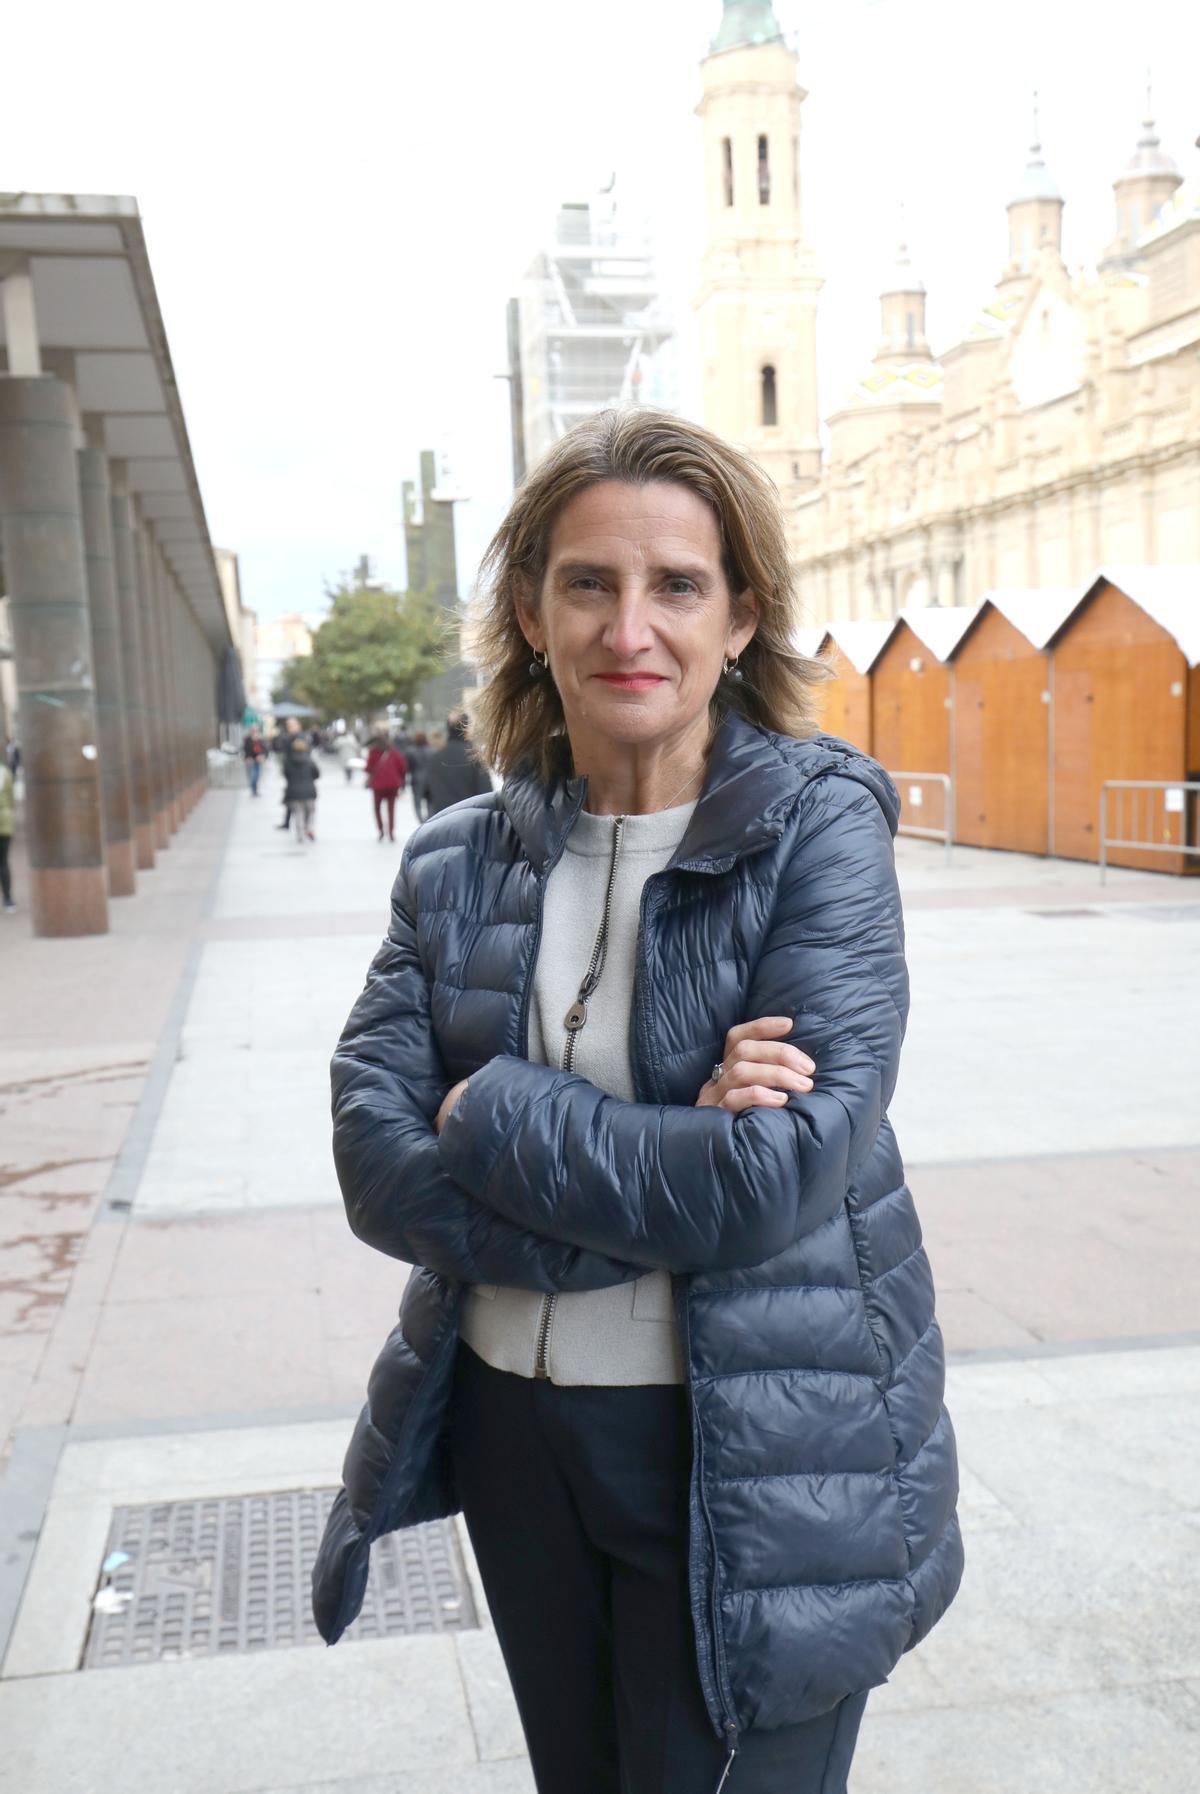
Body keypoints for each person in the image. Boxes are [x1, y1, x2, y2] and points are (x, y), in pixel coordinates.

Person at [312, 410, 963, 1794]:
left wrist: (490, 1120)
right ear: (531, 612)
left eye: (678, 585)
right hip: (511, 1427)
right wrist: (663, 1171)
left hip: (748, 1445)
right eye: (589, 582)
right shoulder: (452, 862)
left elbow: (771, 1178)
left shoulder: (818, 829)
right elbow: (375, 1160)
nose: (631, 626)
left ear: (742, 620)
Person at [422, 712, 493, 816]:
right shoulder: (474, 757)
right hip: (469, 820)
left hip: (440, 821)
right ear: (466, 730)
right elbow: (486, 793)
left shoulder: (434, 758)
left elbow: (426, 792)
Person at [364, 734, 408, 842]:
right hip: (393, 785)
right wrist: (401, 780)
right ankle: (391, 832)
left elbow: (368, 768)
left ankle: (381, 831)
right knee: (391, 809)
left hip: (378, 786)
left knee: (377, 808)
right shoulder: (394, 753)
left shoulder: (373, 752)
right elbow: (403, 767)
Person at [283, 733, 319, 843]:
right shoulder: (310, 761)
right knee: (310, 812)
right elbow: (317, 774)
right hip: (309, 791)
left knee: (298, 813)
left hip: (293, 791)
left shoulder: (288, 762)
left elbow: (286, 775)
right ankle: (309, 829)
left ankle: (300, 835)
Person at [404, 730, 431, 821]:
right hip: (430, 779)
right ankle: (429, 818)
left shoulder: (410, 751)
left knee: (417, 802)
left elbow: (407, 767)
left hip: (416, 779)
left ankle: (421, 820)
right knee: (430, 801)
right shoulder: (432, 751)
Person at [0, 753, 15, 911]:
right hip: (4, 823)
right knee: (3, 862)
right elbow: (11, 799)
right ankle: (8, 898)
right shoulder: (4, 772)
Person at [242, 725, 266, 797]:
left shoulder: (260, 739)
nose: (255, 731)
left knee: (257, 775)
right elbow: (245, 749)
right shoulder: (248, 739)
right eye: (254, 730)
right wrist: (248, 757)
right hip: (251, 760)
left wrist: (262, 756)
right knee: (253, 776)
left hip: (258, 760)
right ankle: (253, 789)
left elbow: (265, 749)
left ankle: (255, 789)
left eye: (256, 730)